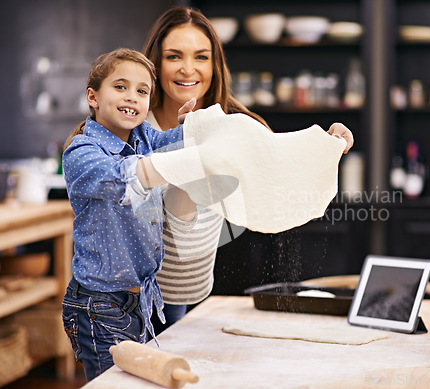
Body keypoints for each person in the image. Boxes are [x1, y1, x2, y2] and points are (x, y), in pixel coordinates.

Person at [142, 6, 355, 335]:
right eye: (174, 56)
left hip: (188, 291)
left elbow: (277, 163)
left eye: (201, 57)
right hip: (130, 292)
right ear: (155, 63)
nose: (188, 69)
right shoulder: (137, 126)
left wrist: (327, 146)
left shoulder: (233, 126)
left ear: (215, 65)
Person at [61, 48, 196, 382]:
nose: (132, 97)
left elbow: (174, 143)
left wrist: (194, 129)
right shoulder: (81, 152)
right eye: (120, 87)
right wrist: (184, 154)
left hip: (136, 302)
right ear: (92, 96)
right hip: (98, 306)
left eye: (142, 91)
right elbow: (127, 176)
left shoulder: (143, 137)